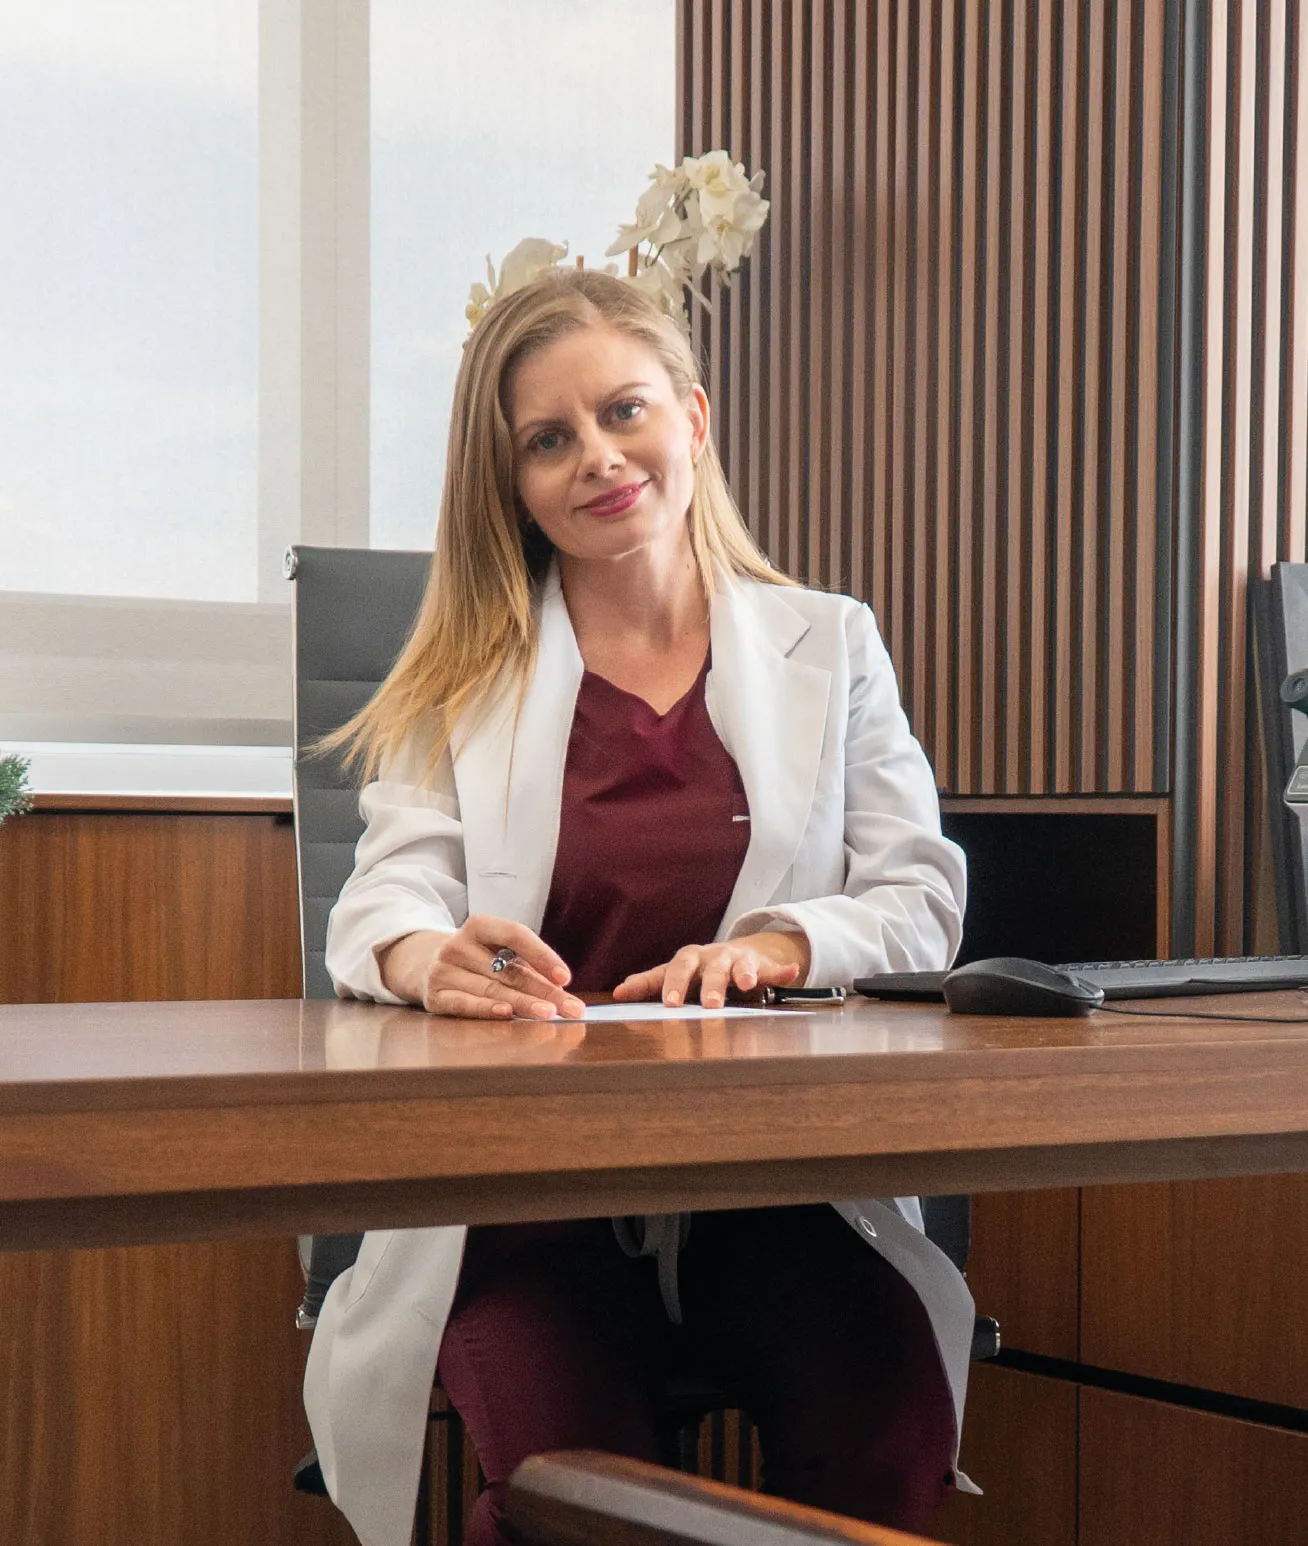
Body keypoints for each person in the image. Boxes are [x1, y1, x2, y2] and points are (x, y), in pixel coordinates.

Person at [304, 267, 973, 1546]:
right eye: (547, 441)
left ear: (695, 419)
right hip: (526, 1192)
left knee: (884, 1429)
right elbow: (387, 883)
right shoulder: (461, 675)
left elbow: (920, 895)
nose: (598, 460)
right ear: (508, 482)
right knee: (570, 1481)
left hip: (774, 1179)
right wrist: (424, 950)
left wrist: (785, 941)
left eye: (624, 412)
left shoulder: (827, 644)